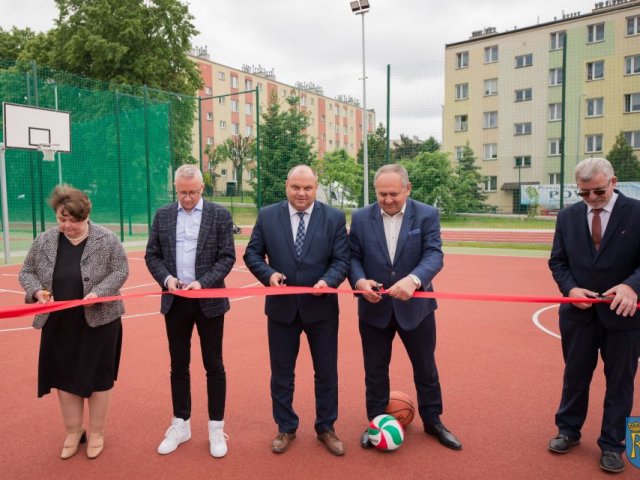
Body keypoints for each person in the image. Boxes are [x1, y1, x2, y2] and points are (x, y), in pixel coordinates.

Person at [349, 164, 462, 451]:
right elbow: (353, 257)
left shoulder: (426, 214)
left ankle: (433, 420)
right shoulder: (361, 218)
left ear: (407, 189)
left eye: (394, 193)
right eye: (382, 194)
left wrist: (413, 281)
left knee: (425, 368)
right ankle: (375, 421)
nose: (387, 199)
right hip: (374, 308)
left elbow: (434, 254)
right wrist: (360, 282)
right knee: (374, 370)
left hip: (417, 309)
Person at [243, 165, 349, 456]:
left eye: (308, 188)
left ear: (316, 188)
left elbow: (342, 259)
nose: (301, 193)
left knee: (326, 372)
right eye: (295, 187)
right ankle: (285, 427)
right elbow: (252, 253)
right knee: (282, 373)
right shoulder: (267, 216)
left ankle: (326, 427)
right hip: (281, 309)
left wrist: (328, 280)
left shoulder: (334, 218)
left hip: (322, 309)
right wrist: (268, 274)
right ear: (286, 186)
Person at [19, 184, 129, 460]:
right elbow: (26, 271)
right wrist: (36, 292)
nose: (67, 225)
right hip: (59, 324)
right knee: (64, 377)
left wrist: (98, 293)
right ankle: (72, 432)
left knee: (98, 379)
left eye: (74, 220)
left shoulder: (107, 239)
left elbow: (121, 270)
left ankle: (97, 432)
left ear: (86, 215)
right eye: (61, 218)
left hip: (100, 323)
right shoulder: (44, 240)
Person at [547, 157, 640, 474]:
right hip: (578, 314)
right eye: (583, 193)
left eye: (598, 191)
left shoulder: (638, 212)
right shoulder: (568, 216)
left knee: (620, 383)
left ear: (613, 183)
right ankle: (568, 430)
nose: (591, 199)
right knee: (575, 375)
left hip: (624, 316)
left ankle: (613, 445)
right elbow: (557, 262)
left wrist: (631, 286)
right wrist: (571, 289)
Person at [145, 164, 235, 458]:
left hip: (209, 301)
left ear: (202, 189)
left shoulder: (219, 215)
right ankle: (181, 424)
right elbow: (152, 255)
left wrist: (202, 283)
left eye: (192, 193)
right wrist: (168, 280)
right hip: (175, 302)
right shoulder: (163, 215)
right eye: (182, 192)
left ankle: (215, 427)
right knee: (178, 365)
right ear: (175, 188)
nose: (187, 198)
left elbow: (226, 257)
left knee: (214, 365)